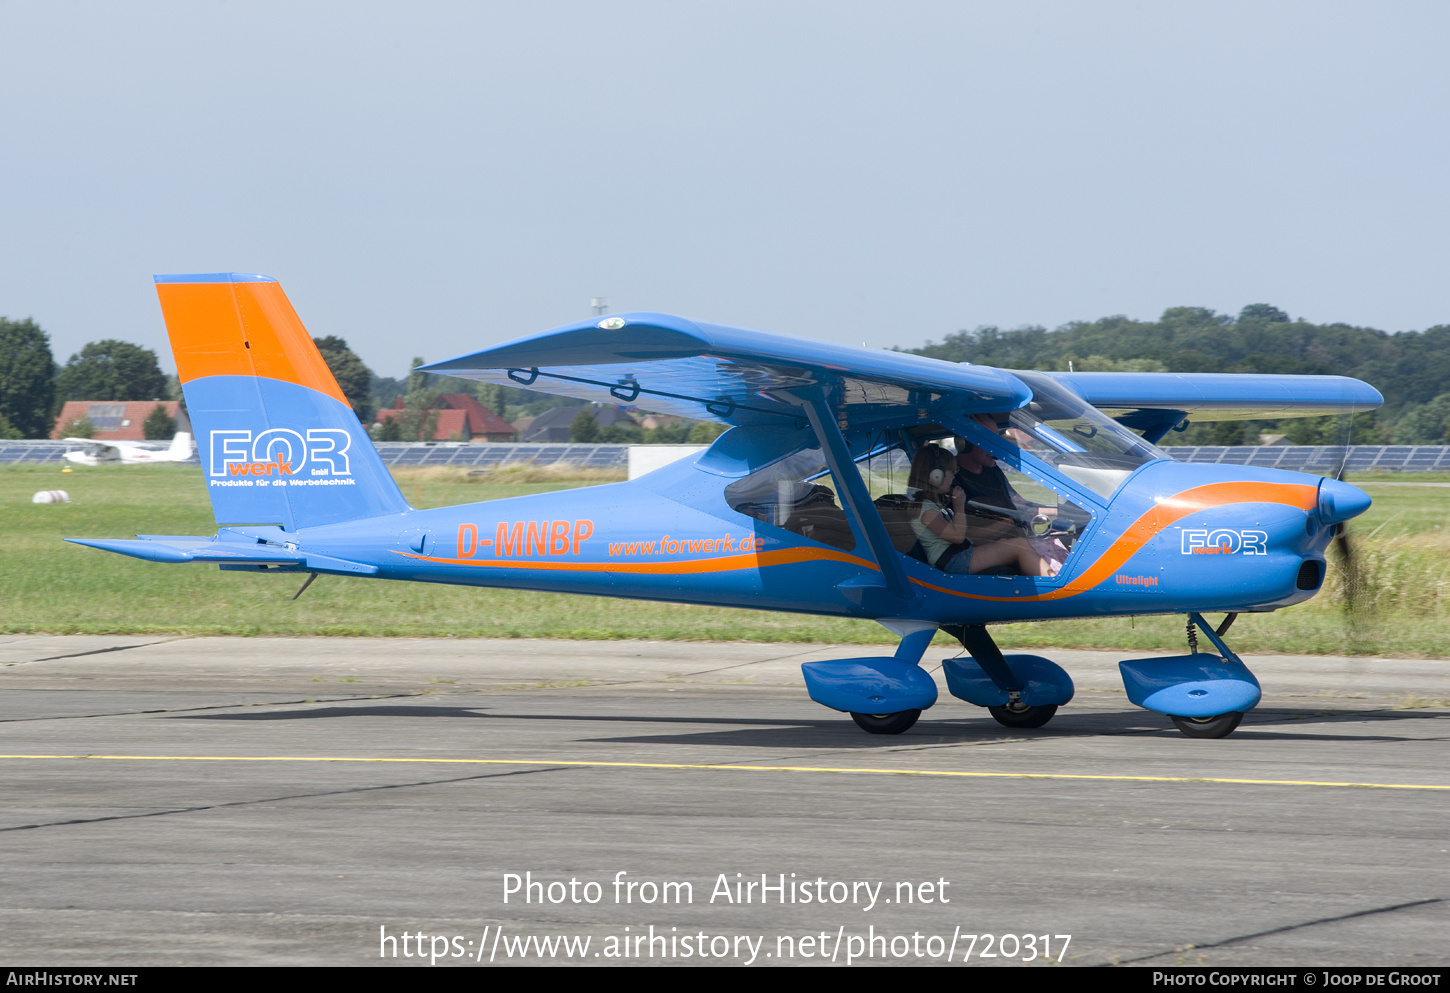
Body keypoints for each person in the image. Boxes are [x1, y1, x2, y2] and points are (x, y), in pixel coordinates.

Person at [906, 445, 1058, 577]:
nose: (953, 477)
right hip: (953, 562)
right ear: (935, 476)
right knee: (1019, 545)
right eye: (950, 472)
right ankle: (1056, 586)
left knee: (1007, 543)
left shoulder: (932, 504)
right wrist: (959, 505)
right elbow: (958, 537)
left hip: (957, 556)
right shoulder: (926, 509)